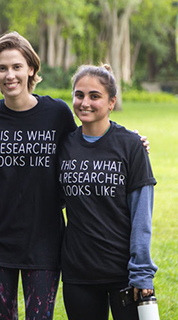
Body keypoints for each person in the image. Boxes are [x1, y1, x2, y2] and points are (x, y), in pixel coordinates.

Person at [0, 31, 77, 320]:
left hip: (45, 238)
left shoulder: (57, 113)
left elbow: (85, 146)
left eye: (17, 66)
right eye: (2, 68)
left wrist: (129, 140)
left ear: (31, 68)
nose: (10, 75)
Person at [58, 64, 157, 320]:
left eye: (95, 96)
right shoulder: (64, 145)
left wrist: (142, 273)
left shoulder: (130, 145)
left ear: (111, 102)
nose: (85, 103)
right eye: (79, 95)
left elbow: (142, 216)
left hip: (123, 273)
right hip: (78, 272)